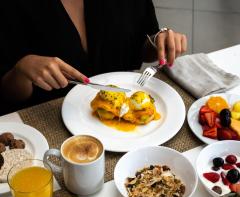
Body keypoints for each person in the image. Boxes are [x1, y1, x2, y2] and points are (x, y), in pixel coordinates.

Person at [0, 0, 187, 115]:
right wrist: (22, 70)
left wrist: (158, 42)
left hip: (128, 125)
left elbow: (141, 45)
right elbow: (8, 94)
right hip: (47, 120)